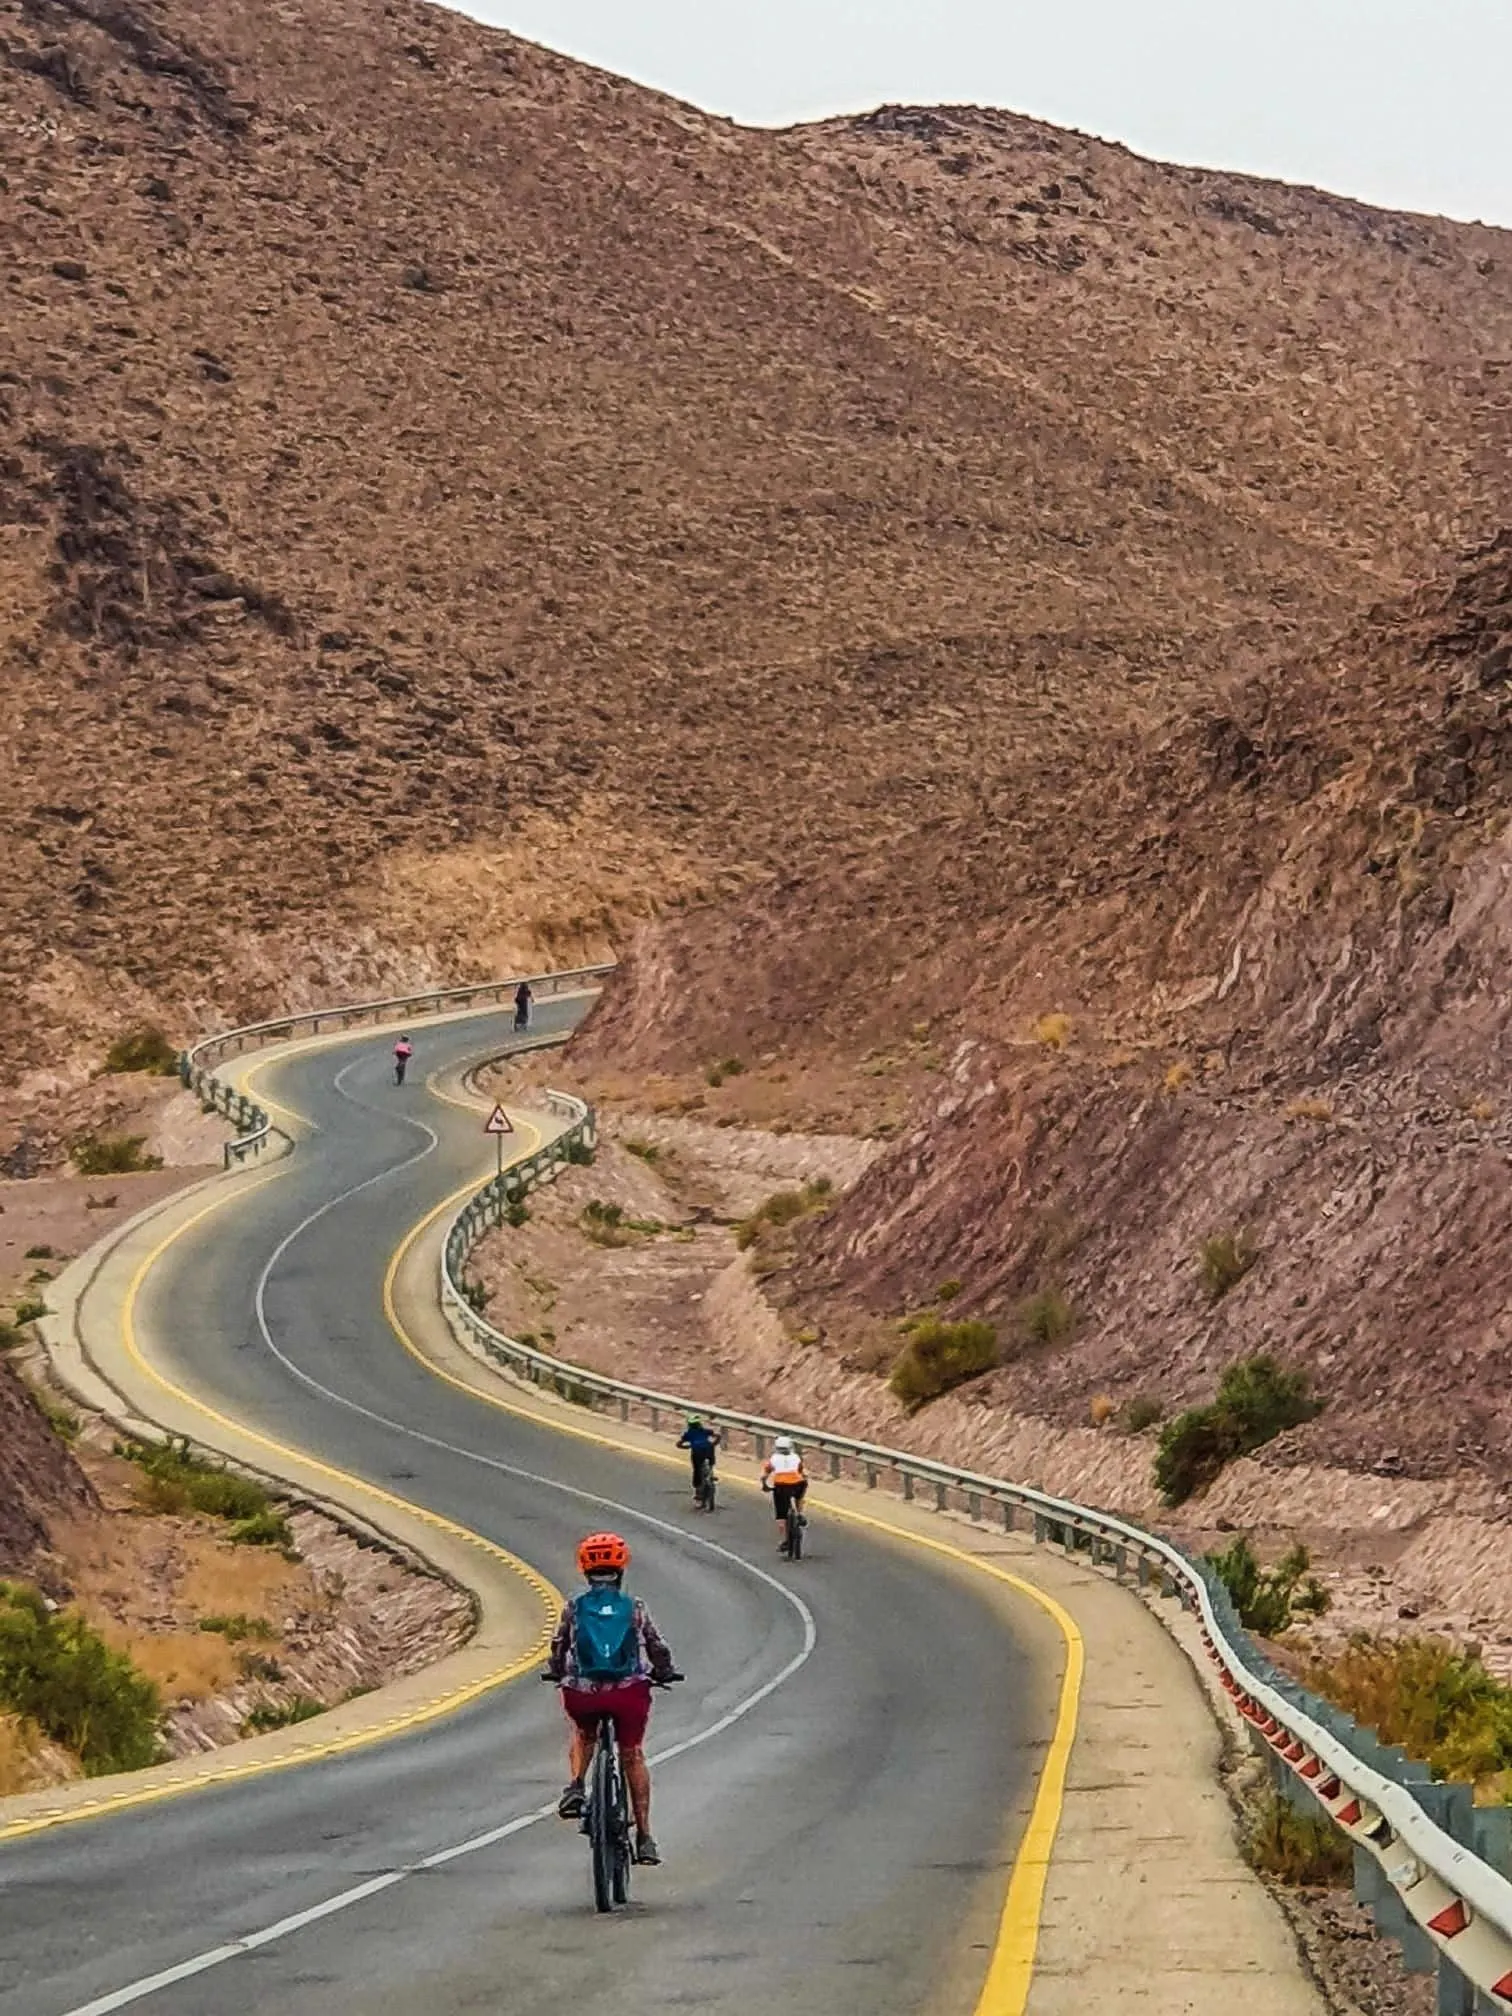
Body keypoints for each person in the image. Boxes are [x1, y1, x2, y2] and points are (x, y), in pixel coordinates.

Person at [549, 1532, 679, 1867]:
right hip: (628, 1694)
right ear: (621, 1569)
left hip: (583, 1693)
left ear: (585, 1570)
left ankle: (576, 1786)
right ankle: (646, 1837)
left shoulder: (574, 1607)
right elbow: (656, 1646)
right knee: (632, 1754)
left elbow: (559, 1645)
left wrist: (556, 1671)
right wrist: (664, 1671)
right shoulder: (634, 1608)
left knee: (583, 1733)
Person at [761, 1436, 808, 1554]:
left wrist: (765, 1485)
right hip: (798, 1484)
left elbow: (764, 1475)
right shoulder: (796, 1457)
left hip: (781, 1486)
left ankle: (785, 1540)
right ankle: (800, 1513)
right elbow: (802, 1472)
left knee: (781, 1516)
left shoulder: (774, 1458)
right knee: (799, 1496)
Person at [676, 1416, 721, 1505]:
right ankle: (710, 1474)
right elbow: (718, 1436)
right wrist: (713, 1444)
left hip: (697, 1451)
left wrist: (686, 1447)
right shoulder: (705, 1431)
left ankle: (699, 1494)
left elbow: (679, 1444)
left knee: (697, 1471)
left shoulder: (689, 1433)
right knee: (711, 1464)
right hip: (709, 1449)